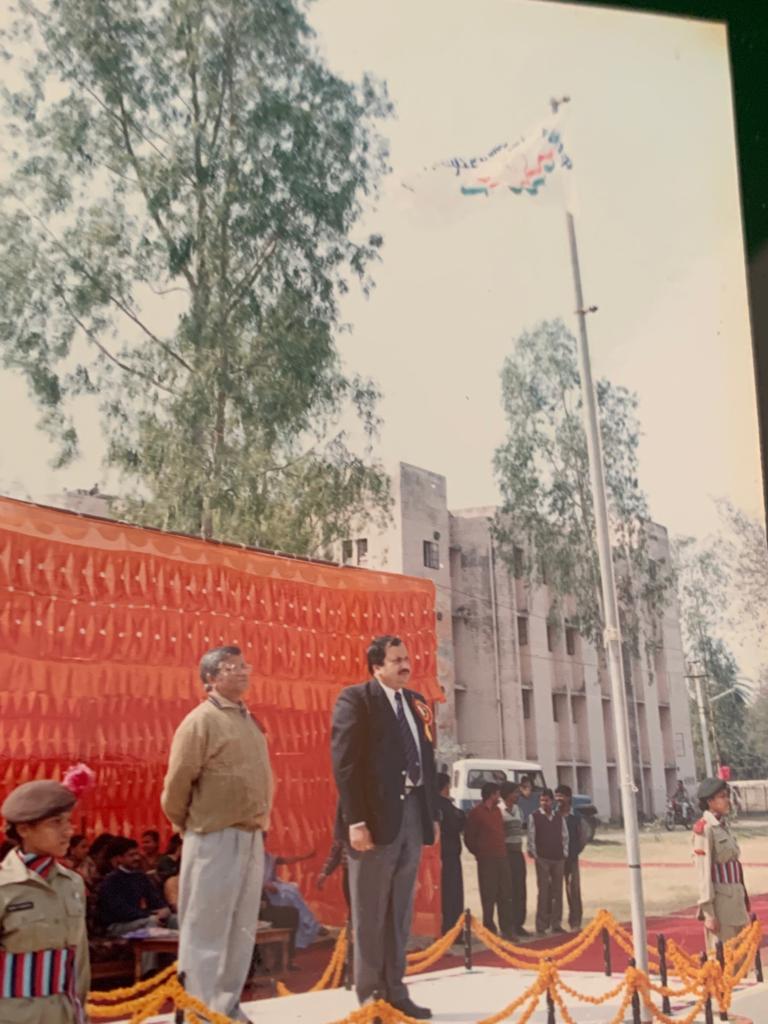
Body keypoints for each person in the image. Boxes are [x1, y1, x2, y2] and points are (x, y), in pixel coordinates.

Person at [162, 645, 273, 1022]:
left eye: (245, 665)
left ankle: (225, 1007)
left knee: (239, 929)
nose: (243, 672)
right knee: (205, 928)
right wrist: (191, 825)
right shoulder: (200, 721)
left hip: (249, 835)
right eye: (233, 667)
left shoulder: (245, 719)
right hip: (212, 835)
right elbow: (176, 786)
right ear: (210, 678)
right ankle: (200, 1010)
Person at [331, 634, 439, 1021]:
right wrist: (355, 821)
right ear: (376, 666)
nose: (405, 665)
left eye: (406, 658)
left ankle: (397, 989)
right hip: (373, 822)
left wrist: (431, 815)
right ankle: (370, 996)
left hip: (411, 816)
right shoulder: (357, 699)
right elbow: (344, 765)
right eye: (396, 660)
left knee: (400, 911)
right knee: (371, 910)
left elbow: (427, 759)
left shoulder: (415, 703)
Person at [0, 769, 92, 1024]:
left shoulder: (71, 883)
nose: (68, 831)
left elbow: (79, 962)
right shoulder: (4, 887)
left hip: (64, 1013)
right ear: (24, 829)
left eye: (67, 821)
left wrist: (80, 1013)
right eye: (56, 823)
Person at [693, 777, 750, 952]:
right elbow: (703, 872)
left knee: (742, 961)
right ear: (710, 802)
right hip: (721, 907)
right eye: (722, 796)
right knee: (723, 962)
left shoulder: (722, 826)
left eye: (726, 796)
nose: (727, 800)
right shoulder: (705, 829)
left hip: (737, 904)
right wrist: (709, 913)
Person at [464, 782, 514, 939]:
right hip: (486, 858)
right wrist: (479, 852)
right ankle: (489, 928)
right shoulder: (476, 813)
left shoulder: (498, 812)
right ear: (491, 795)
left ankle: (507, 929)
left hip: (501, 856)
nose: (499, 797)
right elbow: (469, 837)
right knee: (488, 894)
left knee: (505, 893)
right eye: (497, 794)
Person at [97, 837, 177, 935]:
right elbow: (121, 911)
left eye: (137, 854)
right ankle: (150, 950)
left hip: (140, 919)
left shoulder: (140, 876)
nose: (137, 858)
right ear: (119, 858)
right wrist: (149, 914)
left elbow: (155, 899)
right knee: (151, 922)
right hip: (118, 925)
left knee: (174, 919)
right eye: (131, 855)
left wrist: (164, 909)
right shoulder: (111, 880)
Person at [262, 842, 322, 949]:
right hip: (262, 892)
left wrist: (305, 856)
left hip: (273, 886)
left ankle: (311, 924)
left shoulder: (267, 856)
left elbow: (285, 860)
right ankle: (311, 925)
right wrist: (265, 886)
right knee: (287, 894)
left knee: (292, 890)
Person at [528, 788, 569, 935]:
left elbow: (565, 836)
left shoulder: (559, 817)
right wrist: (535, 854)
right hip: (543, 859)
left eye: (546, 800)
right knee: (544, 891)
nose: (544, 803)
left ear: (552, 801)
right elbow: (531, 836)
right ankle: (541, 925)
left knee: (557, 892)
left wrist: (564, 853)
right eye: (542, 800)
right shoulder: (534, 816)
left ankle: (556, 923)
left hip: (558, 858)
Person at [554, 784, 588, 931]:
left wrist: (574, 851)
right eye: (556, 796)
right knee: (554, 891)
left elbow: (583, 837)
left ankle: (575, 922)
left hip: (572, 858)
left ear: (568, 798)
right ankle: (554, 924)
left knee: (573, 890)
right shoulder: (552, 815)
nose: (558, 799)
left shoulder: (576, 817)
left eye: (561, 796)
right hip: (555, 859)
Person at [437, 771, 465, 936]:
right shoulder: (445, 806)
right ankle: (453, 931)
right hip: (449, 854)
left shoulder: (433, 804)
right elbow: (458, 822)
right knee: (452, 894)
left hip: (439, 854)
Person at [500, 782, 530, 937]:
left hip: (518, 853)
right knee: (507, 891)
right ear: (508, 794)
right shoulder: (499, 810)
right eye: (515, 793)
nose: (518, 795)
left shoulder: (518, 810)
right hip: (506, 855)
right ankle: (508, 926)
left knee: (520, 889)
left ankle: (519, 924)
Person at [316, 837, 350, 908]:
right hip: (349, 871)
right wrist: (325, 872)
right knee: (352, 905)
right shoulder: (344, 828)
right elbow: (336, 852)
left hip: (372, 871)